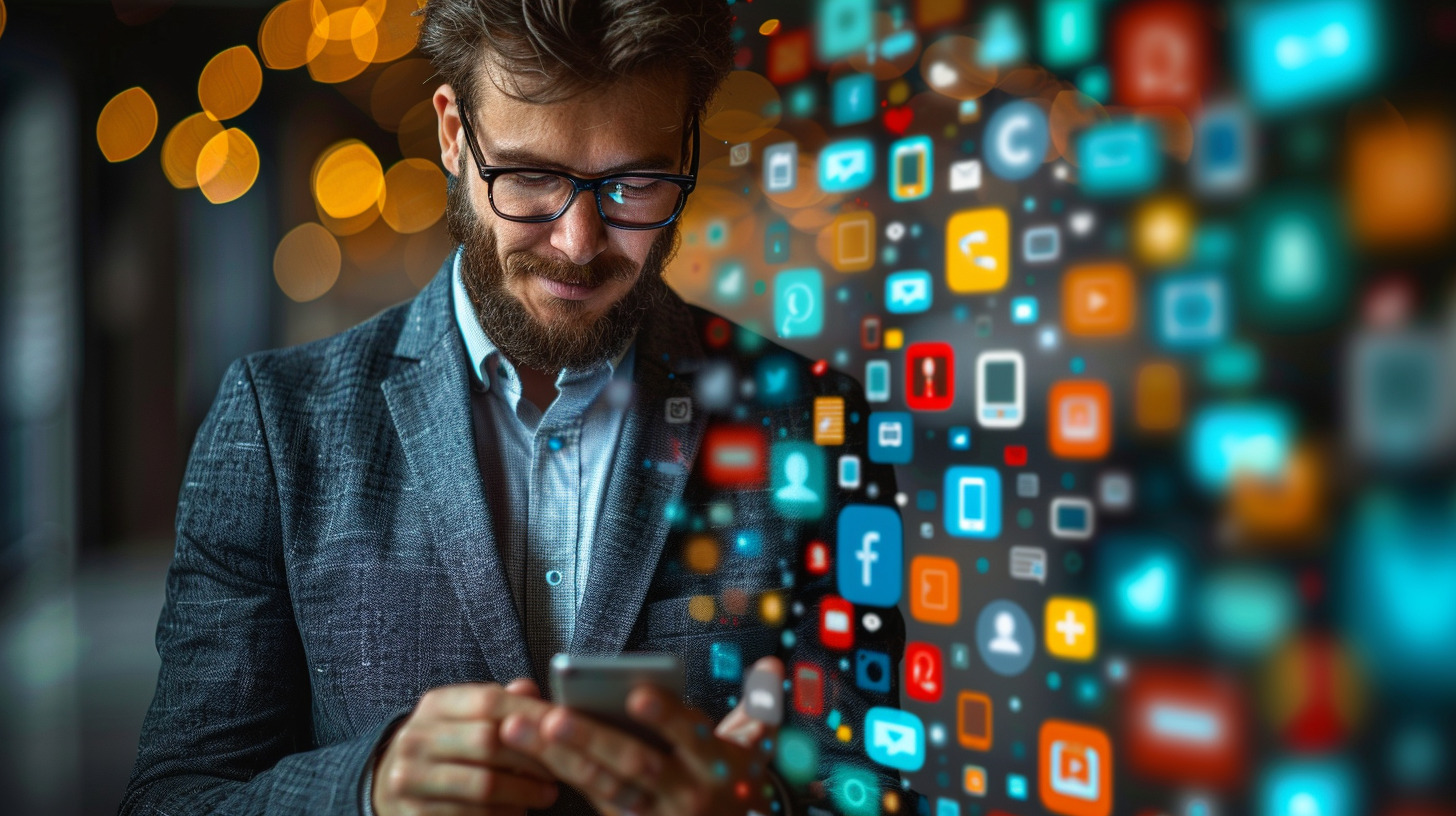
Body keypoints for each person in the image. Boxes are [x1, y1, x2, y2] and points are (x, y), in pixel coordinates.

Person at [122, 1, 908, 815]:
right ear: (453, 134)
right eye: (530, 176)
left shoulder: (813, 422)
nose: (577, 243)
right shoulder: (276, 425)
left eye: (634, 182)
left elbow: (873, 791)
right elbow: (173, 798)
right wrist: (364, 792)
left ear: (688, 149)